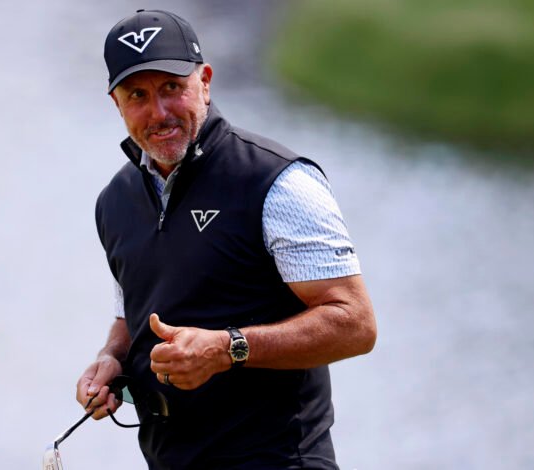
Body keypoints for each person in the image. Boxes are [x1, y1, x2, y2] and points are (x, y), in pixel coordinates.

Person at [75, 9, 377, 470]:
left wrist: (227, 348)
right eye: (138, 95)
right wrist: (112, 359)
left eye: (171, 87)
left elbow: (355, 323)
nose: (159, 112)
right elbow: (131, 313)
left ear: (205, 82)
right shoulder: (114, 202)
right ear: (116, 104)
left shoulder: (277, 182)